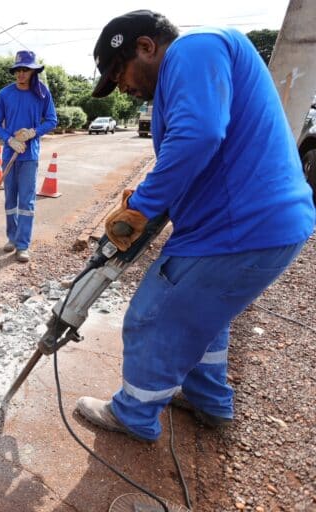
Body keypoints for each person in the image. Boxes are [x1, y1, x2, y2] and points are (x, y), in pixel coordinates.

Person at [75, 10, 315, 442]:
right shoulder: (195, 68)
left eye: (119, 73)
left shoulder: (193, 48)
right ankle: (209, 401)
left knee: (152, 316)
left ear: (147, 47)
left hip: (238, 229)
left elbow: (199, 137)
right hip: (257, 225)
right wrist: (152, 199)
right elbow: (199, 152)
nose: (124, 89)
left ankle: (134, 414)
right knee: (204, 316)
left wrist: (143, 207)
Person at [0, 50, 58, 263]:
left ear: (33, 71)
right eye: (18, 70)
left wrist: (33, 133)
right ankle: (12, 238)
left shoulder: (42, 93)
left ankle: (23, 245)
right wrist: (9, 139)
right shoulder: (4, 94)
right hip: (10, 152)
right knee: (10, 199)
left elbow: (51, 120)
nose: (21, 74)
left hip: (29, 155)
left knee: (27, 201)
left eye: (26, 70)